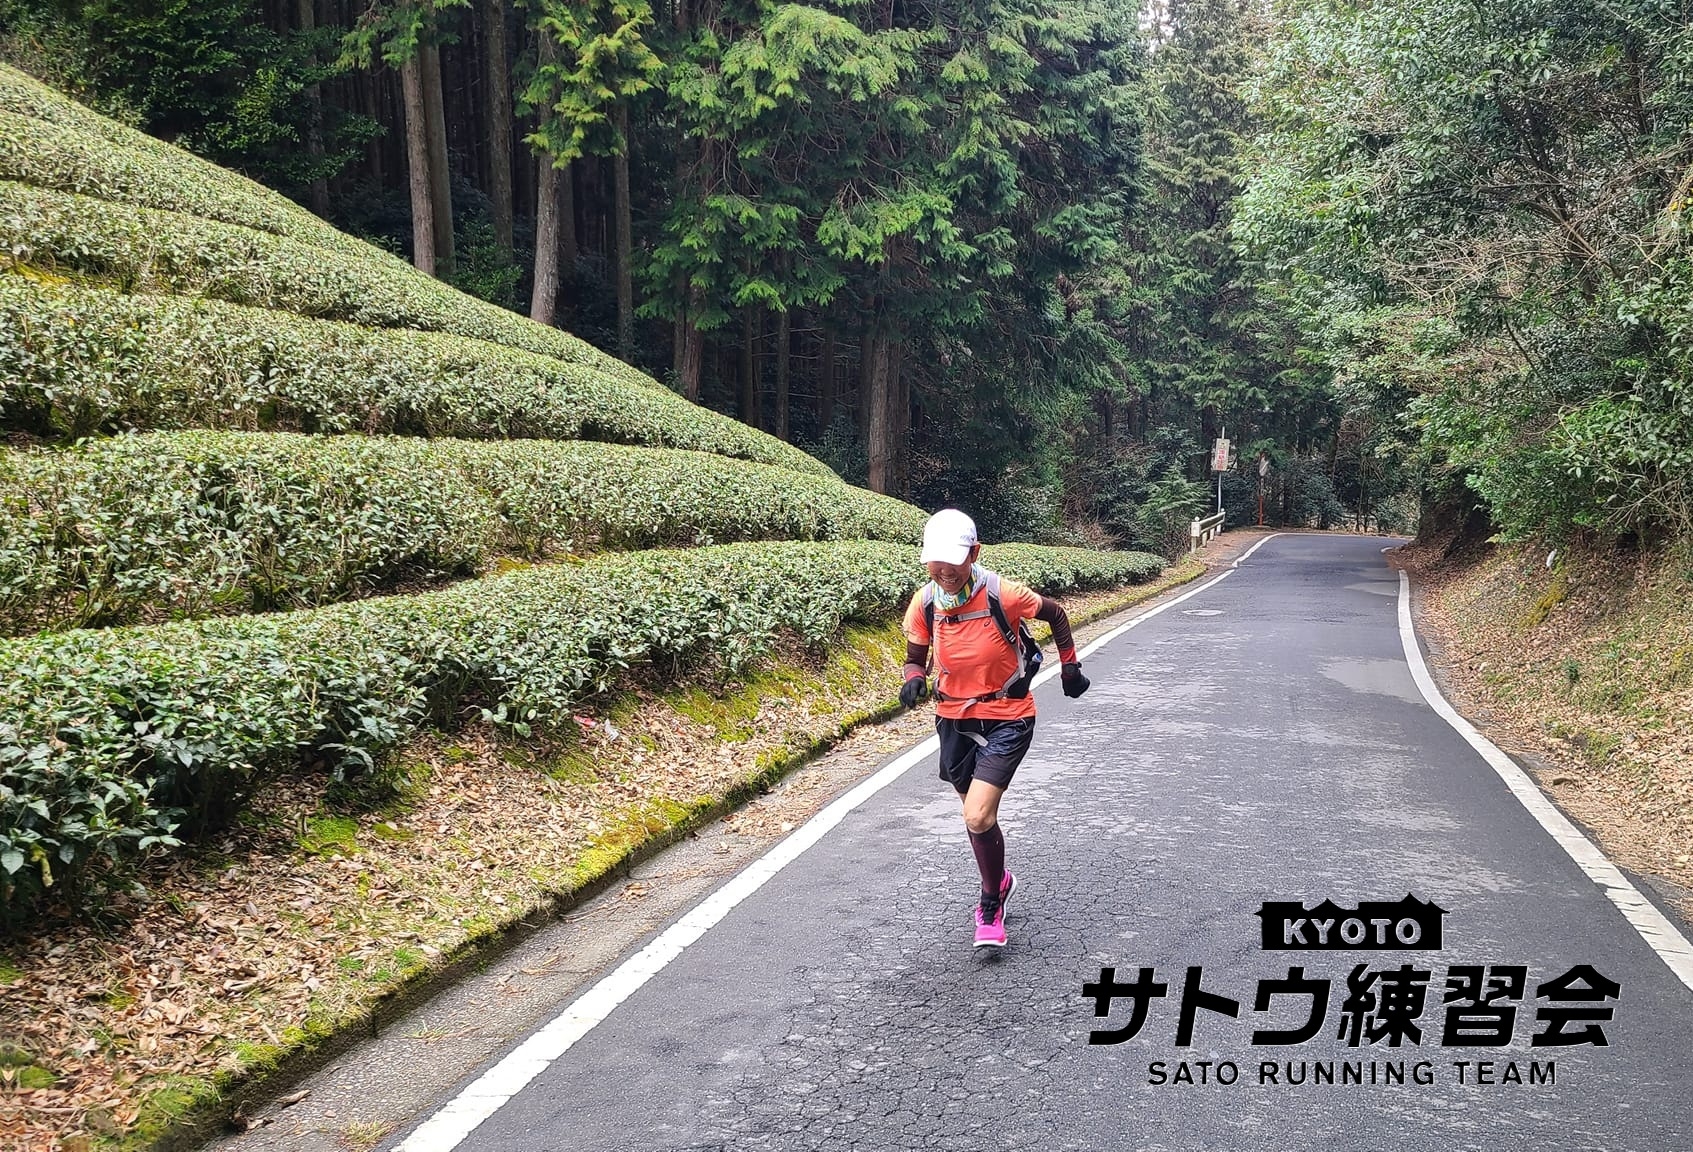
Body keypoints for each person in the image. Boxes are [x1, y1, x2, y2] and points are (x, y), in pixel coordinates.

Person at [899, 508, 1090, 948]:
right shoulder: (925, 602)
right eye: (936, 562)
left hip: (1008, 714)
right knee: (978, 818)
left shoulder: (1003, 593)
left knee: (977, 814)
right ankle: (999, 881)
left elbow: (1056, 614)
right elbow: (914, 658)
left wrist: (1070, 668)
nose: (945, 571)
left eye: (953, 561)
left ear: (974, 553)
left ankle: (990, 903)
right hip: (953, 720)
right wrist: (913, 678)